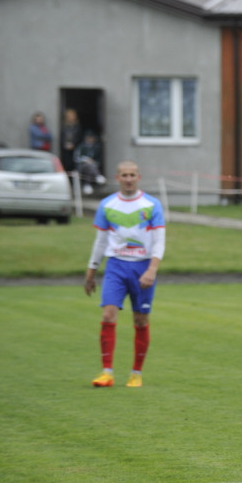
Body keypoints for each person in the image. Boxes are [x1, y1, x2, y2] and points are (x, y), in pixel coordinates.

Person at [85, 161, 166, 389]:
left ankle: (136, 373)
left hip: (142, 268)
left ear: (138, 177)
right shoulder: (107, 205)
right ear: (117, 177)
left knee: (140, 320)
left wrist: (152, 268)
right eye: (124, 175)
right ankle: (106, 373)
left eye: (132, 175)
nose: (128, 179)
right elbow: (100, 241)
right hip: (116, 267)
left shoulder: (152, 205)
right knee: (108, 315)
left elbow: (160, 240)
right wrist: (91, 272)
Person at [74, 130, 106, 196]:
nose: (90, 139)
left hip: (93, 166)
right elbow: (76, 158)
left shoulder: (96, 148)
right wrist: (86, 160)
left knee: (90, 167)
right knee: (89, 165)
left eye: (92, 138)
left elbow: (99, 160)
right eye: (89, 138)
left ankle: (87, 185)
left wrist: (92, 162)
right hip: (82, 166)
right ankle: (97, 176)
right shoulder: (81, 147)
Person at [60, 108, 82, 173]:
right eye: (69, 116)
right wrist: (64, 144)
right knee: (66, 164)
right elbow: (62, 137)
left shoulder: (77, 126)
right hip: (65, 149)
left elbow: (79, 137)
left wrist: (74, 144)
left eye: (72, 116)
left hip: (75, 148)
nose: (70, 117)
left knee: (74, 165)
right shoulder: (64, 126)